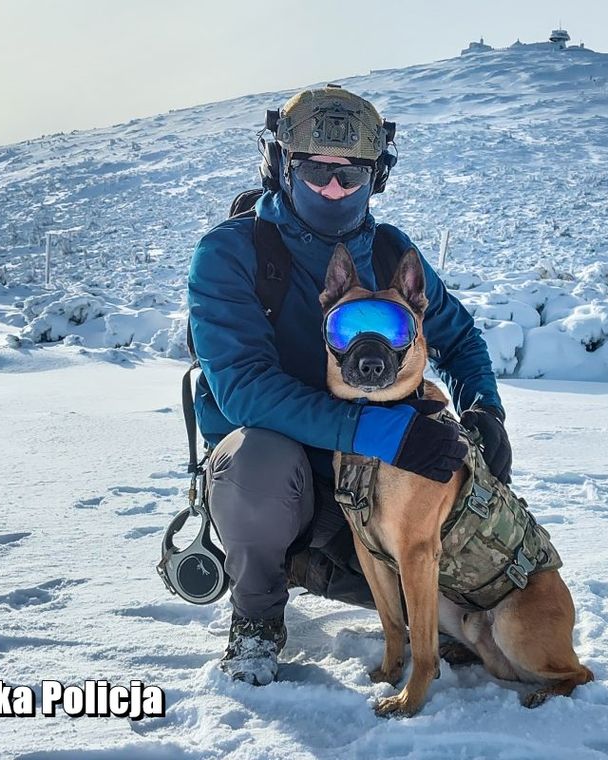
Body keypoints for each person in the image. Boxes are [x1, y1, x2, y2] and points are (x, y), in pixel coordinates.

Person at [187, 86, 511, 685]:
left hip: (378, 476)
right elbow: (244, 390)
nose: (332, 189)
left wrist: (485, 412)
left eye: (350, 174)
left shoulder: (392, 255)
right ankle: (257, 618)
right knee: (257, 459)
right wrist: (381, 430)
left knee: (452, 591)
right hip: (286, 473)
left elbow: (460, 339)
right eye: (314, 171)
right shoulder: (230, 254)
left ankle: (425, 608)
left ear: (375, 177)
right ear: (281, 167)